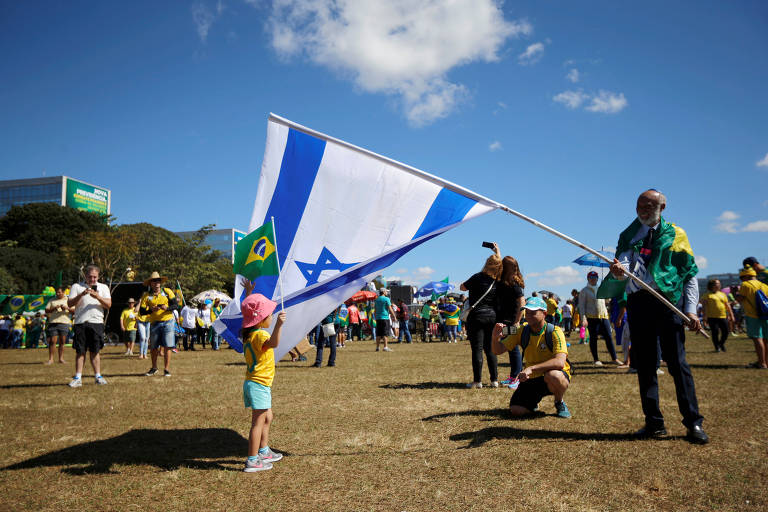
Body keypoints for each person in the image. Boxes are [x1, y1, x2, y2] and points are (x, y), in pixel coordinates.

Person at [609, 189, 708, 444]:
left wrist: (690, 309)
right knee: (645, 364)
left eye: (649, 204)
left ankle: (693, 423)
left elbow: (689, 274)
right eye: (639, 204)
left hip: (668, 304)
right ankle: (654, 422)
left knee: (677, 364)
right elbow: (625, 267)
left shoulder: (676, 234)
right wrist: (619, 271)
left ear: (662, 207)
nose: (643, 208)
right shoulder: (628, 235)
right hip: (639, 303)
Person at [491, 297, 572, 418]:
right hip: (531, 378)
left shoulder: (555, 331)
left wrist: (532, 368)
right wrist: (495, 337)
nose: (528, 315)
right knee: (516, 410)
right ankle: (532, 404)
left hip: (551, 375)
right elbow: (497, 351)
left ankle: (559, 402)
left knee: (554, 375)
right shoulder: (521, 330)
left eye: (533, 312)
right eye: (526, 312)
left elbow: (560, 362)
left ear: (544, 314)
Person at [239, 284, 287, 472]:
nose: (272, 316)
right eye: (269, 314)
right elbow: (274, 343)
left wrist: (249, 293)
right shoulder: (260, 334)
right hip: (258, 384)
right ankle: (252, 460)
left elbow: (248, 308)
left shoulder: (250, 333)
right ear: (260, 319)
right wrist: (279, 325)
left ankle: (264, 450)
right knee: (257, 423)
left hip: (258, 383)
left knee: (268, 417)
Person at [460, 243, 502, 388]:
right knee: (491, 349)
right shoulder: (497, 281)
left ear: (486, 264)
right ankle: (494, 380)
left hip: (476, 316)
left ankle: (477, 381)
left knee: (477, 349)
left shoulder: (477, 277)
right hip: (492, 316)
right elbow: (500, 267)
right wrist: (498, 252)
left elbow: (462, 287)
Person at [67, 264, 112, 387]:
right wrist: (81, 294)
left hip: (96, 322)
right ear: (85, 275)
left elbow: (108, 305)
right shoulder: (76, 286)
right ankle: (78, 377)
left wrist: (97, 296)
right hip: (80, 322)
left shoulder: (103, 287)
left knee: (95, 350)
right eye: (90, 277)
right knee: (80, 351)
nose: (92, 280)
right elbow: (70, 303)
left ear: (98, 276)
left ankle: (98, 376)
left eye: (95, 277)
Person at [578, 271, 622, 366]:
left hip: (603, 316)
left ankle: (614, 358)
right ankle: (596, 359)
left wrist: (607, 293)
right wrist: (583, 318)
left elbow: (606, 301)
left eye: (595, 277)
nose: (593, 279)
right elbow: (581, 306)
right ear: (588, 278)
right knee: (593, 339)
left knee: (609, 337)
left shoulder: (601, 288)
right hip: (591, 317)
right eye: (591, 277)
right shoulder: (584, 291)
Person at [495, 255, 525, 388]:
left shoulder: (514, 284)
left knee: (513, 349)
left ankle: (517, 377)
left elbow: (522, 303)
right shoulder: (505, 281)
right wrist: (497, 252)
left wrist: (517, 321)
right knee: (510, 348)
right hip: (505, 320)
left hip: (511, 322)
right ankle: (513, 376)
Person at [140, 271, 178, 377]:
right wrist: (150, 310)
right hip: (154, 323)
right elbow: (142, 312)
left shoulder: (167, 291)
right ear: (150, 283)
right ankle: (154, 368)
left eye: (158, 281)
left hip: (168, 321)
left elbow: (176, 305)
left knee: (168, 346)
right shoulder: (146, 296)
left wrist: (167, 308)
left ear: (160, 282)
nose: (156, 283)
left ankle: (166, 369)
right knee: (153, 347)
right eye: (153, 281)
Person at [735, 266, 768, 369]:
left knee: (758, 338)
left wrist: (735, 293)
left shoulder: (745, 285)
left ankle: (761, 363)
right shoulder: (765, 285)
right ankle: (765, 361)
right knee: (766, 339)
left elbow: (740, 299)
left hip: (753, 315)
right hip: (766, 315)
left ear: (746, 276)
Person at [702, 279, 735, 353]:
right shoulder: (706, 295)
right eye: (717, 283)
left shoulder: (722, 294)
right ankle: (717, 347)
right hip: (712, 317)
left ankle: (721, 344)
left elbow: (728, 306)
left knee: (726, 332)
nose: (719, 285)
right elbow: (704, 307)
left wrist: (731, 315)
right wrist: (704, 318)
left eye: (719, 283)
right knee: (715, 332)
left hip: (723, 316)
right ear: (711, 285)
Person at [45, 287, 72, 364]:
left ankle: (61, 359)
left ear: (63, 292)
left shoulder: (68, 300)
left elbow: (74, 310)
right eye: (57, 292)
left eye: (59, 292)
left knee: (62, 342)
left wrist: (66, 308)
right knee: (52, 341)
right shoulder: (52, 300)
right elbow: (46, 310)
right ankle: (51, 359)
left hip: (64, 323)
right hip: (53, 322)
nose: (57, 294)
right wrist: (53, 308)